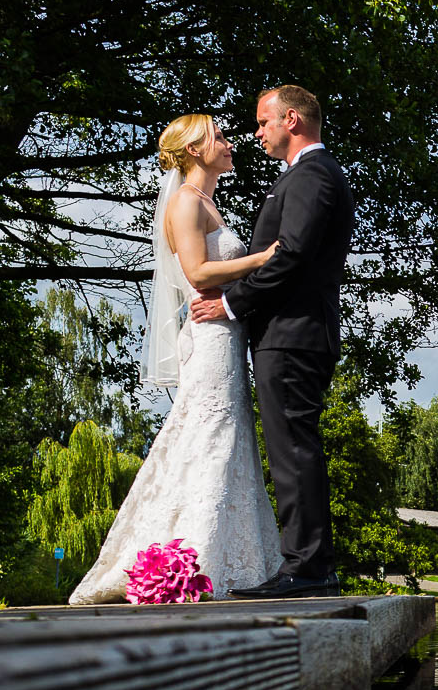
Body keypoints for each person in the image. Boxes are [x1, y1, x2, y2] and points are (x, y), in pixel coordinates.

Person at [69, 114, 281, 604]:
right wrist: (261, 259)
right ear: (193, 150)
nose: (231, 145)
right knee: (209, 435)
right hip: (208, 342)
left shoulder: (208, 202)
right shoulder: (186, 201)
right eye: (220, 138)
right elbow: (198, 270)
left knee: (229, 440)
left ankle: (229, 561)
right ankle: (191, 563)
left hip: (224, 335)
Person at [190, 85, 356, 599]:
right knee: (293, 449)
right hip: (292, 334)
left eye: (263, 122)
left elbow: (292, 255)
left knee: (294, 451)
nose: (256, 132)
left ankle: (306, 569)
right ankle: (309, 564)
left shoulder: (312, 176)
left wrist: (231, 304)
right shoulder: (307, 176)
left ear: (291, 119)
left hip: (293, 335)